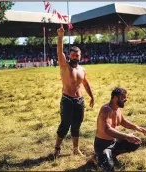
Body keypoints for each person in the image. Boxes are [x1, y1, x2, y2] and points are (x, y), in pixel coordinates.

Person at [54, 24, 95, 157]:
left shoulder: (82, 70)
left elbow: (86, 83)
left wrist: (92, 97)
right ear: (69, 56)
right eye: (72, 55)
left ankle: (75, 149)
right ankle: (57, 148)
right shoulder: (64, 66)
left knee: (77, 125)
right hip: (67, 100)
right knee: (65, 125)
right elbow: (60, 52)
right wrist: (60, 37)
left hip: (79, 100)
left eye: (76, 55)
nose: (74, 57)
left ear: (80, 56)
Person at [93, 87, 146, 172]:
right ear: (115, 98)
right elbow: (107, 130)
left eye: (126, 97)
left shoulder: (117, 108)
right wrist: (126, 136)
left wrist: (136, 127)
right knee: (109, 167)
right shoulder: (106, 109)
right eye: (123, 98)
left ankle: (111, 155)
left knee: (136, 142)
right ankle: (98, 157)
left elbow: (123, 121)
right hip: (103, 145)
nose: (126, 99)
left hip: (114, 142)